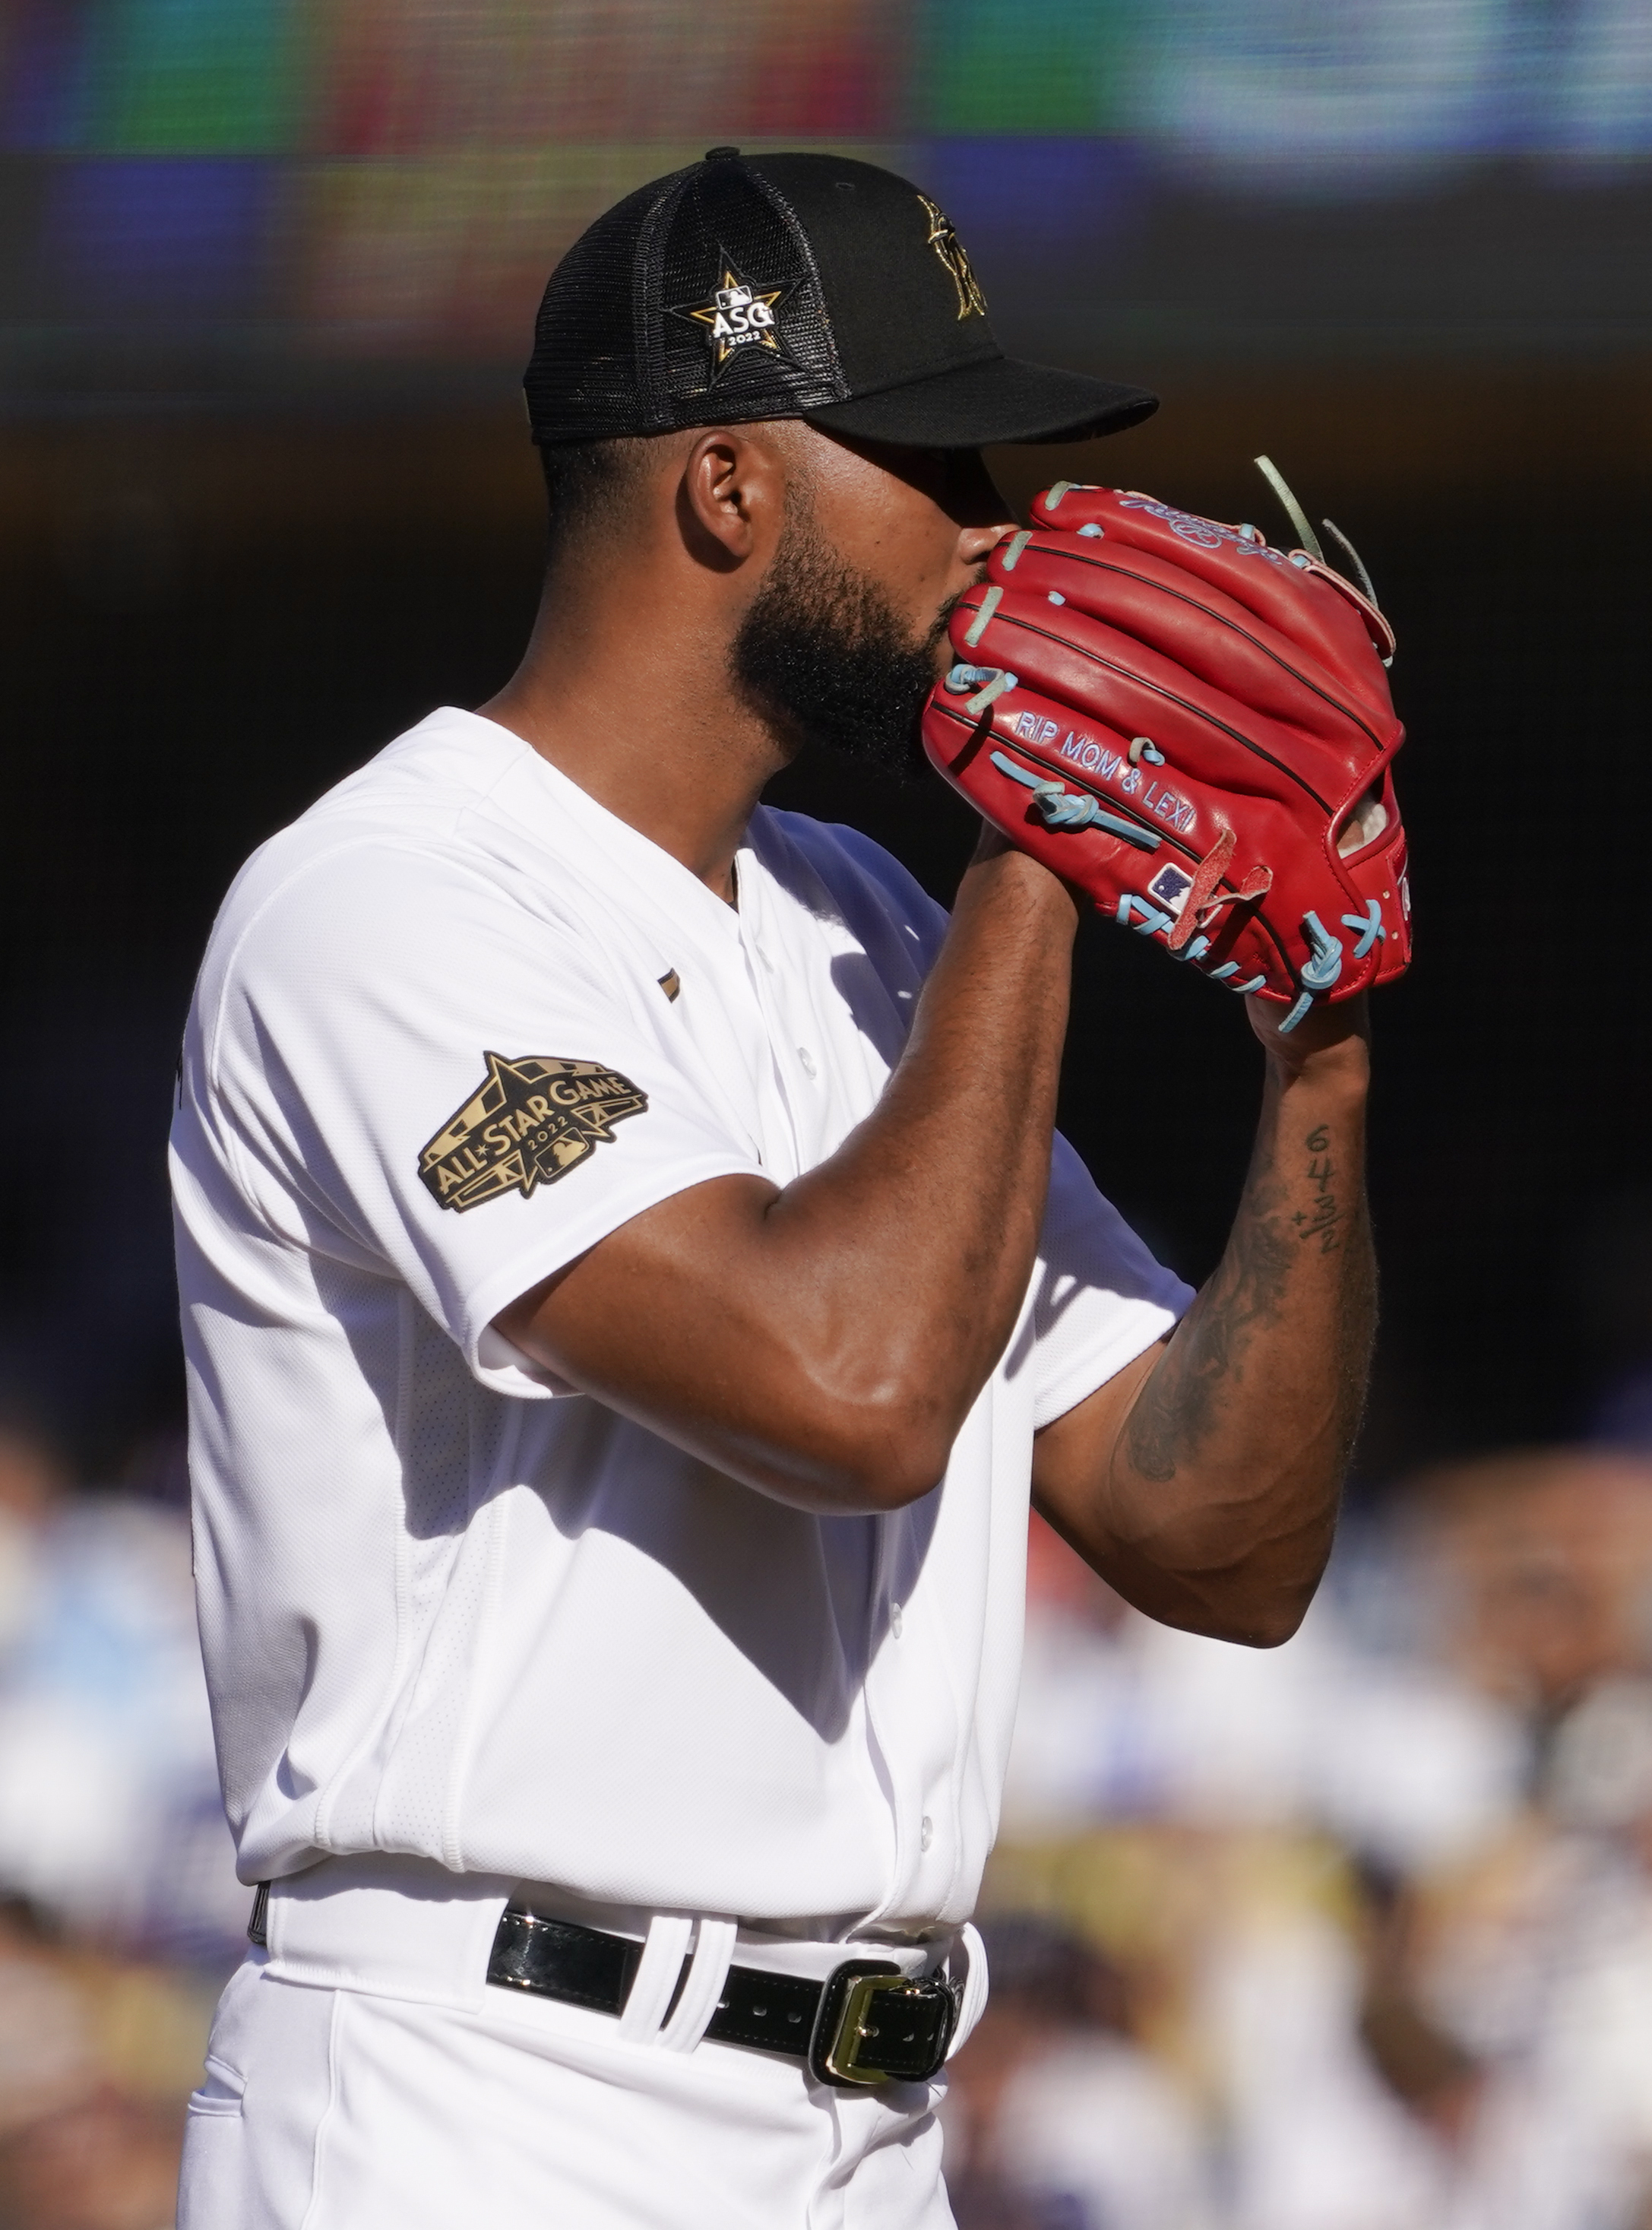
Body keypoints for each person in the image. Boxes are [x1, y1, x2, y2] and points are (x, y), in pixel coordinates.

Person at [166, 148, 1377, 2228]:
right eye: (938, 460)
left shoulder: (855, 918)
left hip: (864, 2128)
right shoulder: (385, 907)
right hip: (489, 2099)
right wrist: (1046, 844)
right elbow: (853, 1391)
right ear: (727, 491)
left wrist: (1321, 1036)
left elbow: (1215, 1540)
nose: (1005, 534)